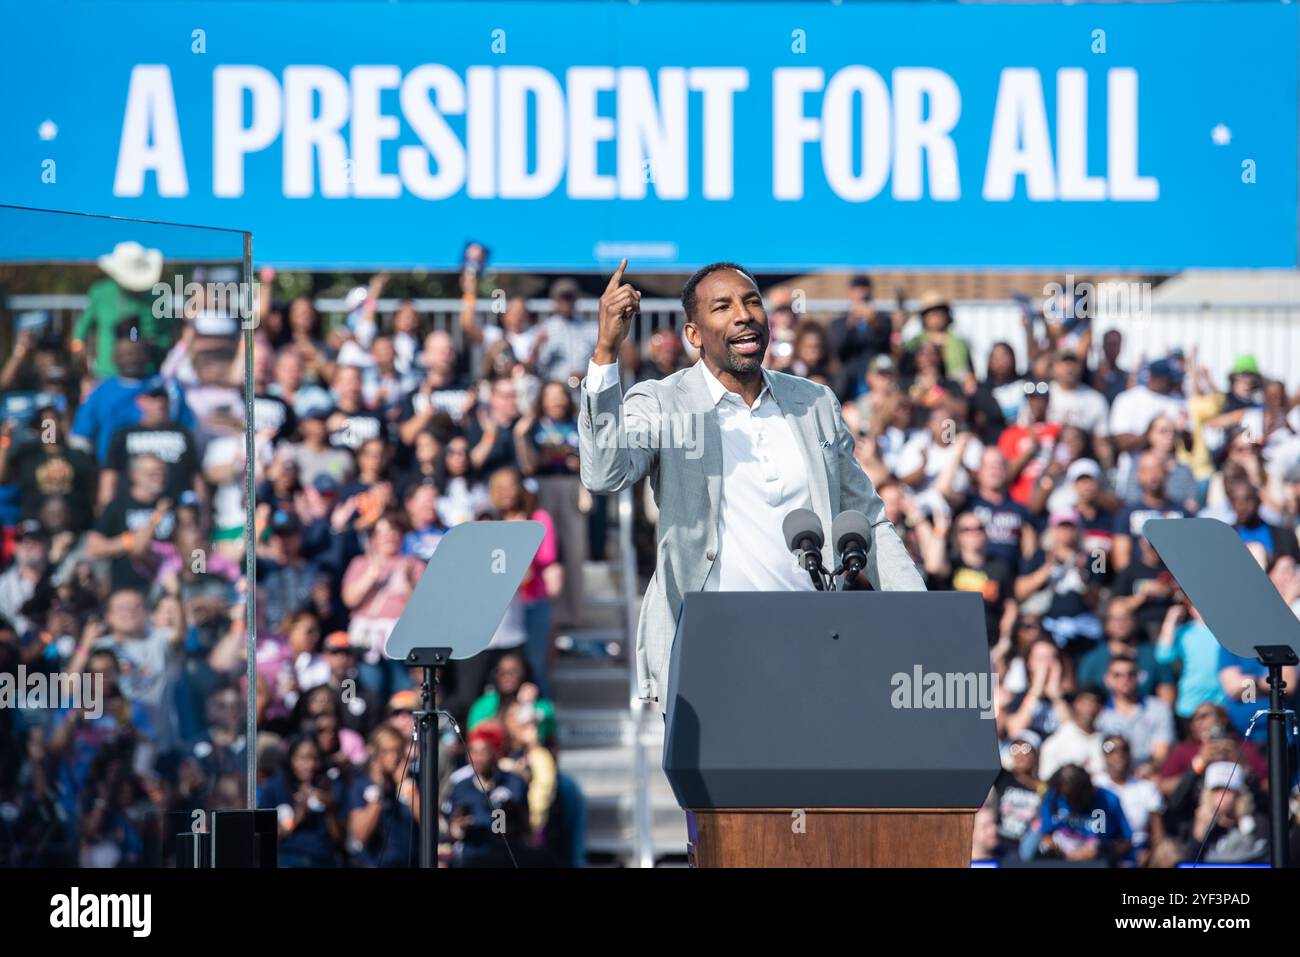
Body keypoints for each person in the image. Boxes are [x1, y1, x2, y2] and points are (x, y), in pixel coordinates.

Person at [578, 259, 925, 705]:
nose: (743, 314)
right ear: (694, 334)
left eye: (752, 301)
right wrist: (606, 354)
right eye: (722, 307)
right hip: (710, 656)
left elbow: (868, 519)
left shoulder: (813, 401)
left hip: (816, 647)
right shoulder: (662, 401)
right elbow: (605, 473)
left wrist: (919, 614)